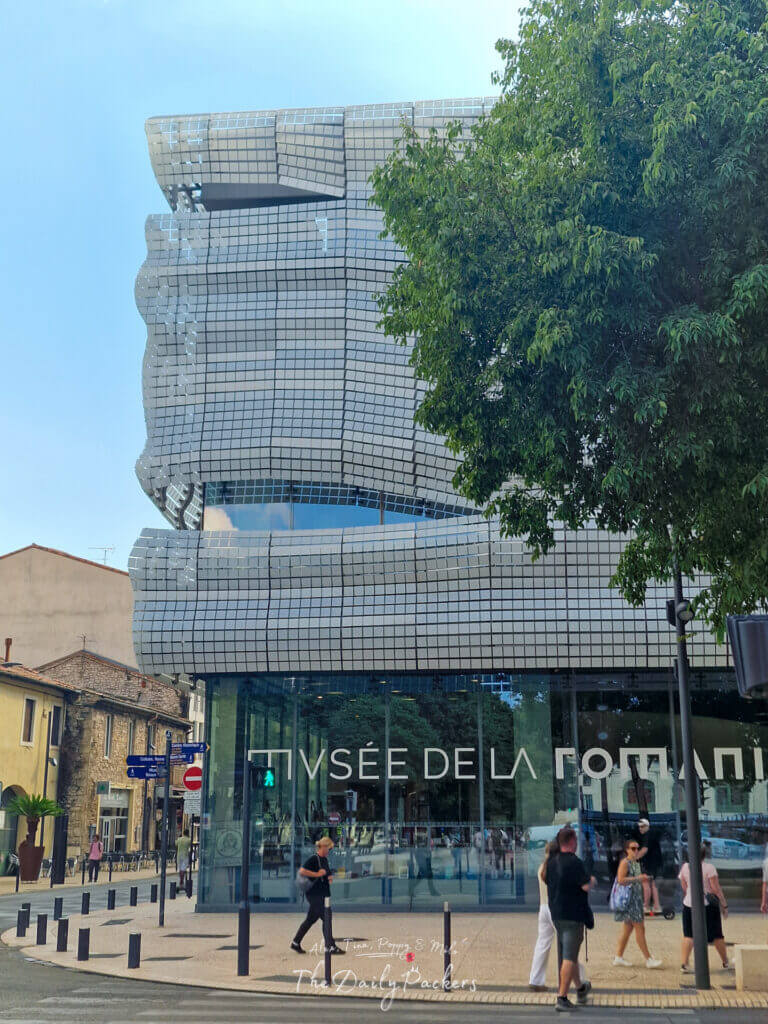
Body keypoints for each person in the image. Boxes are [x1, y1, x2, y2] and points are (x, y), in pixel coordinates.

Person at [528, 840, 588, 993]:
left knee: (542, 944)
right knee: (569, 946)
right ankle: (580, 980)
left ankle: (535, 979)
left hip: (543, 909)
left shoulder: (542, 868)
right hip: (558, 910)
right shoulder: (558, 868)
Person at [546, 826, 594, 1012]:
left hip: (556, 914)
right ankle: (562, 997)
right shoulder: (575, 862)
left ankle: (580, 988)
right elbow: (585, 886)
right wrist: (592, 882)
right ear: (572, 841)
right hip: (573, 915)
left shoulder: (551, 862)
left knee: (570, 953)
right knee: (569, 956)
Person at [679, 841, 733, 972]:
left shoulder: (685, 867)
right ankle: (725, 962)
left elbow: (684, 886)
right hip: (707, 905)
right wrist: (724, 905)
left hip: (688, 904)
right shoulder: (709, 868)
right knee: (717, 935)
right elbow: (716, 889)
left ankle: (685, 964)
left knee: (688, 935)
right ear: (704, 855)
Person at [291, 836, 345, 955]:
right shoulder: (314, 859)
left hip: (323, 894)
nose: (329, 851)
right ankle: (330, 946)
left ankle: (295, 942)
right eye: (329, 848)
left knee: (310, 919)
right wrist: (317, 874)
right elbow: (302, 871)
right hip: (315, 894)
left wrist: (329, 877)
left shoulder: (324, 860)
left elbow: (327, 875)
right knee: (327, 918)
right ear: (324, 847)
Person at [612, 839, 662, 968]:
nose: (635, 851)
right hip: (631, 902)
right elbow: (621, 880)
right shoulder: (625, 863)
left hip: (635, 900)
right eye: (632, 848)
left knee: (627, 930)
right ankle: (648, 959)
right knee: (640, 929)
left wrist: (642, 878)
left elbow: (633, 880)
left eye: (637, 848)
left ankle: (618, 957)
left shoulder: (635, 863)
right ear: (627, 850)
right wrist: (638, 879)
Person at [632, 817, 663, 914]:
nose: (640, 829)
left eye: (642, 827)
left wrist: (634, 858)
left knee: (645, 884)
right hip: (655, 863)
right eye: (639, 827)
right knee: (653, 885)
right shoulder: (652, 835)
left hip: (649, 863)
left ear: (647, 826)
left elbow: (644, 850)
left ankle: (646, 906)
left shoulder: (647, 836)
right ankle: (657, 906)